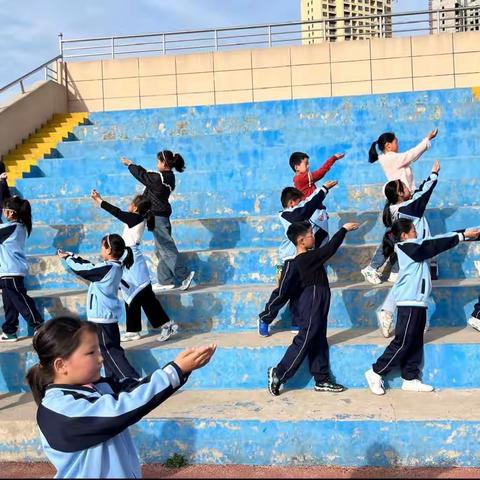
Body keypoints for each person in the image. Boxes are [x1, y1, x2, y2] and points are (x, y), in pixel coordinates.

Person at [26, 316, 216, 479]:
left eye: (99, 350)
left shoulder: (98, 387)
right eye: (91, 352)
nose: (100, 358)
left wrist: (181, 368)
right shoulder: (58, 409)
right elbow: (120, 409)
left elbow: (135, 388)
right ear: (61, 366)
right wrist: (174, 371)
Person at [365, 219, 480, 395]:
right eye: (413, 230)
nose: (416, 232)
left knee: (415, 341)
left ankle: (410, 378)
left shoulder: (414, 245)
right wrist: (462, 236)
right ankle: (375, 372)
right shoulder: (406, 247)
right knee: (403, 341)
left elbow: (436, 239)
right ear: (404, 235)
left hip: (418, 302)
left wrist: (466, 232)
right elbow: (433, 245)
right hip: (408, 302)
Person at [267, 220, 359, 396]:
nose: (313, 237)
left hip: (321, 298)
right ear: (301, 241)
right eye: (310, 234)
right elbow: (330, 248)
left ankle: (322, 378)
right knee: (307, 336)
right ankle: (279, 373)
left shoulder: (309, 257)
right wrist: (343, 230)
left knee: (318, 338)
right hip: (312, 299)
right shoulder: (304, 259)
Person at [91, 189, 178, 343]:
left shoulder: (135, 218)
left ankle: (166, 325)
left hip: (132, 260)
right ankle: (133, 331)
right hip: (130, 258)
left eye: (131, 203)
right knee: (132, 294)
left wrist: (99, 200)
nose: (129, 205)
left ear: (135, 208)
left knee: (141, 295)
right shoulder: (137, 218)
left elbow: (116, 212)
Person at [258, 181, 337, 337]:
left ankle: (297, 321)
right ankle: (265, 318)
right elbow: (304, 211)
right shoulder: (286, 215)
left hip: (306, 260)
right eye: (299, 202)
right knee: (283, 292)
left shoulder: (304, 219)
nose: (302, 205)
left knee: (301, 292)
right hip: (291, 260)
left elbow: (314, 217)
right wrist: (323, 189)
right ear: (291, 203)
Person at [362, 128, 438, 285]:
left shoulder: (395, 158)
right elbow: (411, 155)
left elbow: (412, 158)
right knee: (394, 238)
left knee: (402, 238)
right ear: (388, 145)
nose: (398, 143)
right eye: (396, 141)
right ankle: (372, 267)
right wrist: (427, 139)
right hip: (399, 202)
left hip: (405, 201)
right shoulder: (389, 158)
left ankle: (396, 271)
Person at [58, 234, 138, 381]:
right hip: (107, 318)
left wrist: (67, 259)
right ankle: (115, 384)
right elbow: (90, 266)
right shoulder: (111, 267)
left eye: (102, 246)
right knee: (106, 354)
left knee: (110, 352)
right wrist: (72, 255)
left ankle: (132, 380)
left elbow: (84, 270)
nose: (100, 249)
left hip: (101, 319)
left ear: (108, 250)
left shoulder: (106, 269)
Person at [375, 161, 441, 337]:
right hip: (415, 250)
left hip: (417, 249)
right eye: (404, 186)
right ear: (399, 194)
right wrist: (434, 174)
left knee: (418, 282)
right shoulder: (406, 209)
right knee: (411, 282)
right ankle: (387, 311)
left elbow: (418, 193)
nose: (407, 187)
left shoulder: (401, 206)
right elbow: (424, 194)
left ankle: (415, 319)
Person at [122, 152, 195, 292]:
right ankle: (166, 280)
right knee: (160, 250)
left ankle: (184, 275)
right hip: (160, 217)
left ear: (164, 164)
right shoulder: (168, 177)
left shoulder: (160, 178)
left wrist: (130, 165)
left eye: (158, 162)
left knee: (166, 248)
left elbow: (143, 175)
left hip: (158, 219)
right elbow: (148, 176)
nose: (157, 164)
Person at [0, 196, 43, 341]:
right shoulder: (18, 226)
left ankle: (38, 325)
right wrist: (2, 184)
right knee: (9, 303)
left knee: (21, 301)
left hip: (11, 271)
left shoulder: (11, 228)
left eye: (4, 210)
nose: (3, 212)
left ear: (11, 213)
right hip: (7, 272)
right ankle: (10, 330)